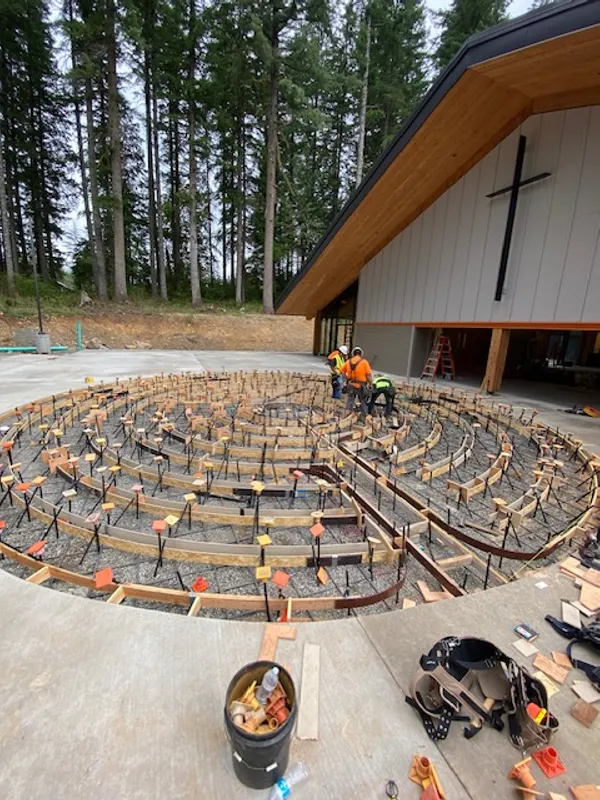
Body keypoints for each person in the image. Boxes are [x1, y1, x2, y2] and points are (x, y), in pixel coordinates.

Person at [341, 346, 372, 419]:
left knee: (350, 400)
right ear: (361, 354)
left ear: (353, 354)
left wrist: (346, 379)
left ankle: (346, 416)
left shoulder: (348, 361)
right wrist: (370, 383)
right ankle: (364, 416)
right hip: (361, 386)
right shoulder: (364, 362)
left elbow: (342, 371)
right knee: (363, 401)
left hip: (351, 384)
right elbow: (369, 375)